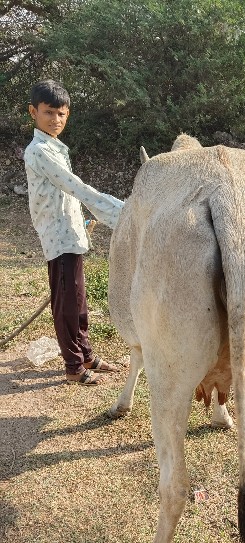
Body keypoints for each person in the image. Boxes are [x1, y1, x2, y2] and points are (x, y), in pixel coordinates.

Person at [24, 79, 125, 385]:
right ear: (33, 112)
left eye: (62, 114)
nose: (56, 120)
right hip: (58, 235)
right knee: (67, 302)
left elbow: (64, 194)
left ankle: (86, 354)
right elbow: (74, 186)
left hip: (69, 231)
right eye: (49, 112)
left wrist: (80, 220)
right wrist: (122, 212)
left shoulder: (54, 148)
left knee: (78, 299)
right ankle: (73, 365)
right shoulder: (39, 150)